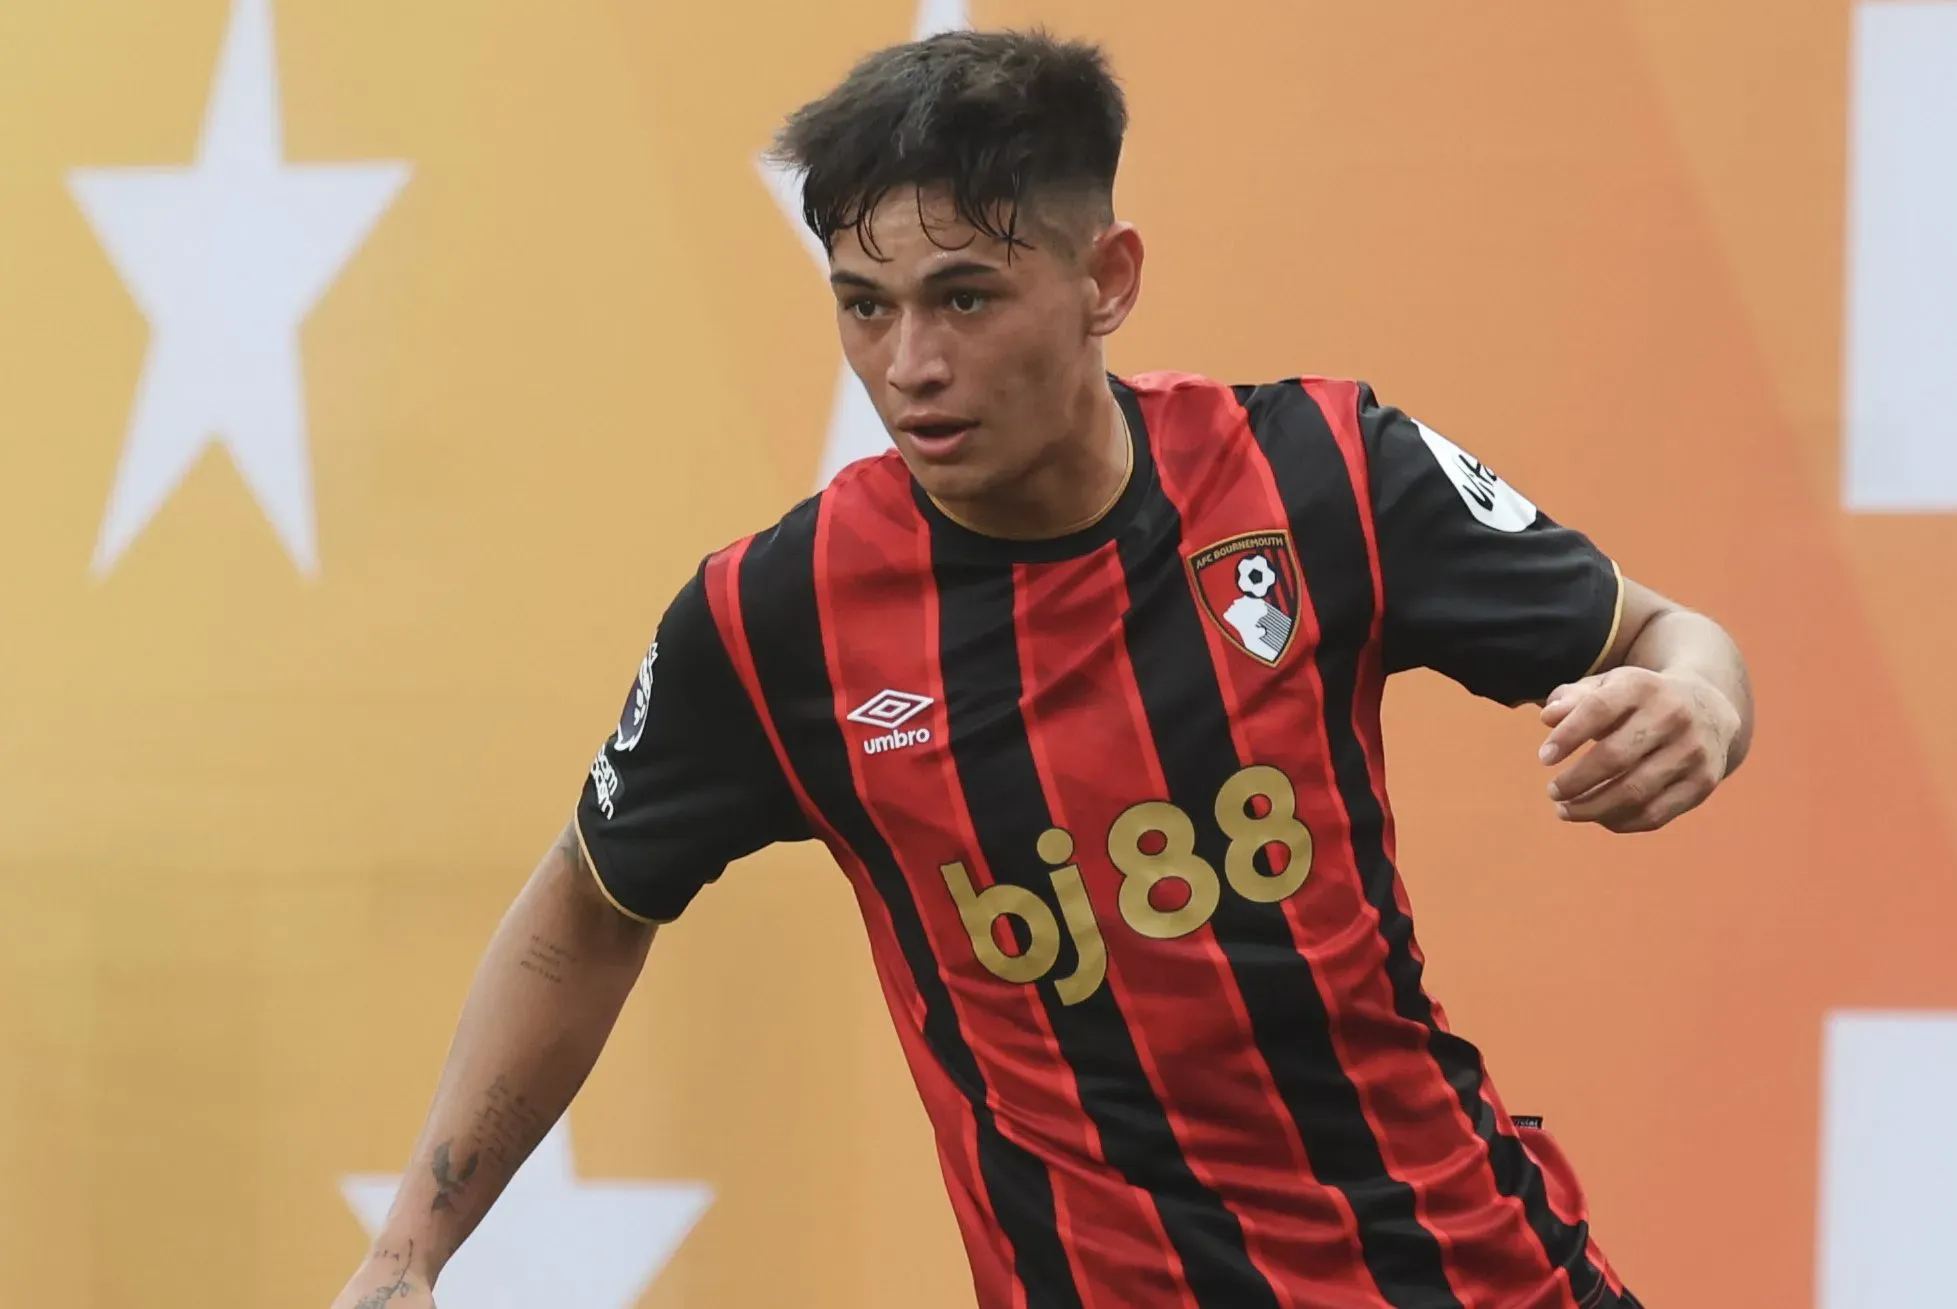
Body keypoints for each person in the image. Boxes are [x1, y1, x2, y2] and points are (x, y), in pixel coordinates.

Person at [331, 27, 1751, 1309]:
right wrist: (410, 1252)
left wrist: (1695, 705)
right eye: (863, 305)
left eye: (963, 298)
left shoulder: (1317, 474)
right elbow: (587, 906)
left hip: (1461, 1273)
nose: (907, 366)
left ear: (1105, 279)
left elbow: (1670, 636)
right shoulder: (775, 622)